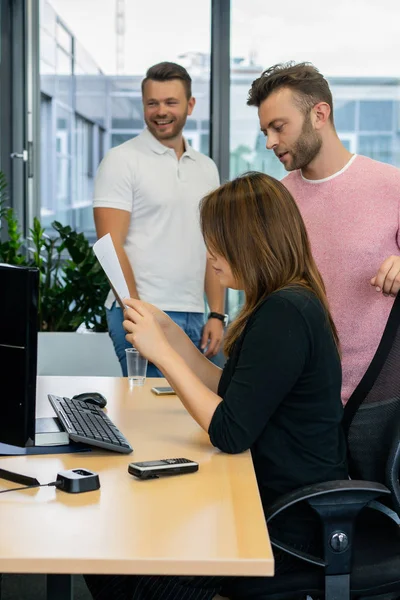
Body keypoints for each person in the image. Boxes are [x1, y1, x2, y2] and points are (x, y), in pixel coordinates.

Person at [84, 172, 348, 600]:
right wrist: (170, 335)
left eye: (217, 243)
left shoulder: (285, 313)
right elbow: (228, 389)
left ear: (251, 242)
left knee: (118, 569)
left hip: (287, 526)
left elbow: (228, 430)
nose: (210, 256)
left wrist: (163, 356)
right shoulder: (282, 301)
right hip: (263, 500)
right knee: (120, 552)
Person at [247, 61, 400, 404]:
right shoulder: (276, 201)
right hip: (299, 401)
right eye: (265, 132)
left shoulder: (393, 186)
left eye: (278, 127)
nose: (270, 142)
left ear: (319, 114)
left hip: (379, 402)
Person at [93, 61, 225, 377]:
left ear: (190, 105)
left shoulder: (206, 168)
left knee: (200, 413)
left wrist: (217, 313)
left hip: (195, 313)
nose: (160, 111)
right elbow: (110, 245)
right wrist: (138, 315)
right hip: (143, 310)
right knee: (152, 414)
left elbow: (212, 245)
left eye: (170, 102)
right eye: (152, 103)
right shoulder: (122, 160)